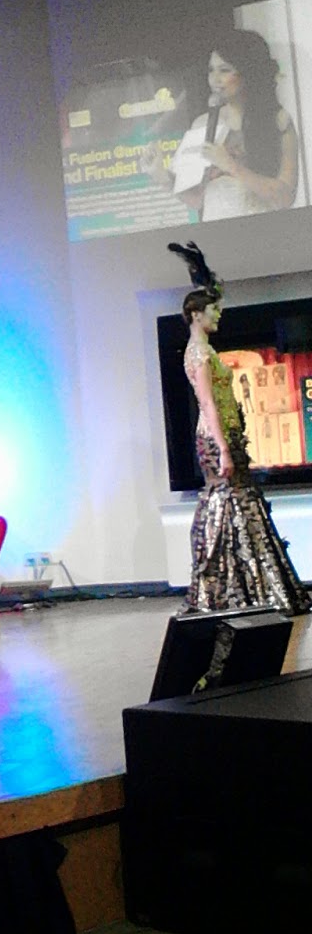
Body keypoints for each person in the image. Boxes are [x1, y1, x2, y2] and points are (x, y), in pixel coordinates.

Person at [169, 241, 309, 615]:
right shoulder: (199, 354)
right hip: (216, 439)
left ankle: (251, 588)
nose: (219, 315)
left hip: (226, 435)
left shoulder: (204, 350)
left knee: (239, 504)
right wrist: (224, 449)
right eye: (214, 310)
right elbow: (208, 404)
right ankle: (229, 589)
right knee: (227, 502)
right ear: (196, 314)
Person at [147, 34, 300, 223]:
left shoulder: (278, 121)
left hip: (265, 230)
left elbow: (286, 197)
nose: (215, 79)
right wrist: (162, 175)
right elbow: (196, 200)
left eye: (224, 70)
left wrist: (231, 166)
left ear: (248, 72)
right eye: (211, 70)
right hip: (218, 231)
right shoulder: (202, 124)